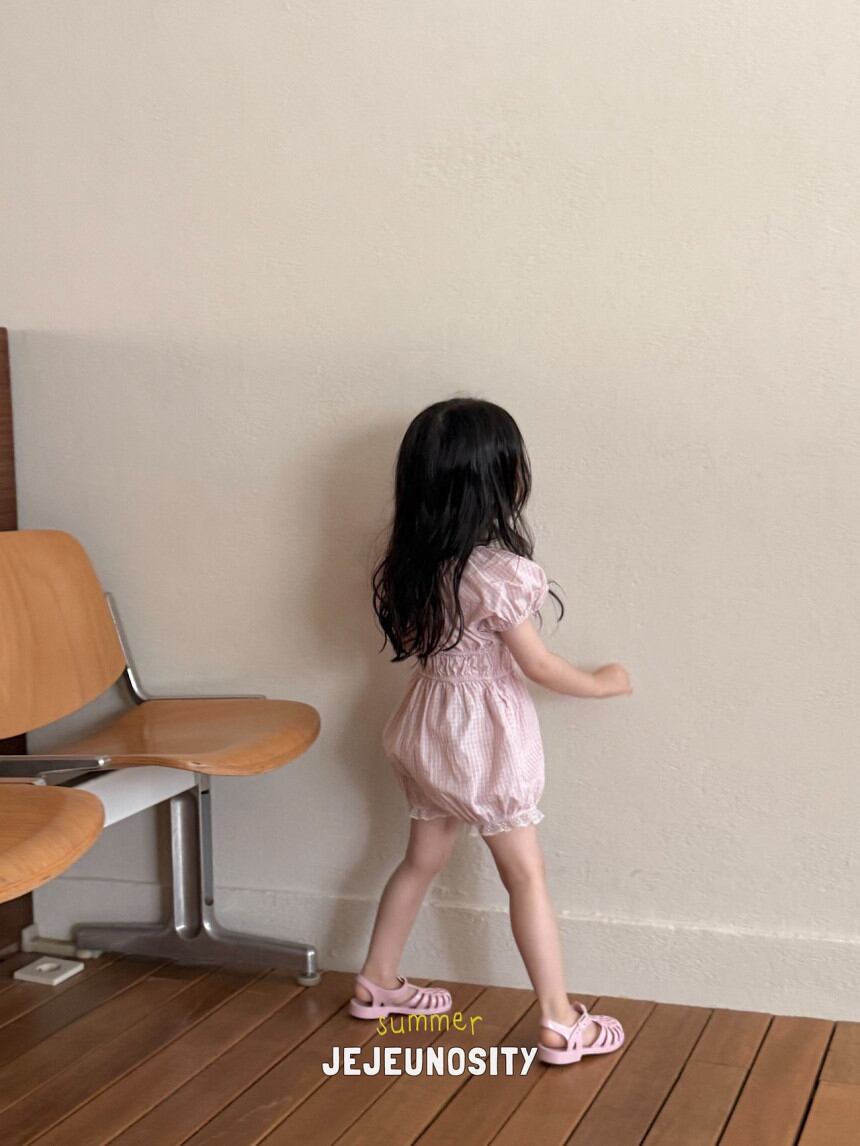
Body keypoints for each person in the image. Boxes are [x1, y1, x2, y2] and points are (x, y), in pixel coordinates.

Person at [350, 397, 633, 1066]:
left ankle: (377, 980)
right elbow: (539, 665)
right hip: (483, 741)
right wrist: (603, 681)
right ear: (497, 480)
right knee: (526, 876)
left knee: (422, 859)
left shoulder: (412, 563)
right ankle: (559, 1021)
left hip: (425, 727)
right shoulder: (498, 575)